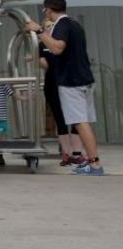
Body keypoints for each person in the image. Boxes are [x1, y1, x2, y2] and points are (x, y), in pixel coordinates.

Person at [25, 0, 103, 175]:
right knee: (84, 124)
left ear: (48, 10)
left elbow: (57, 47)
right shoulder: (75, 25)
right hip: (84, 79)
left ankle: (95, 165)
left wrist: (38, 31)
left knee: (81, 124)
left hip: (72, 81)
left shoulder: (62, 25)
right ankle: (92, 161)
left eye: (45, 10)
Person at [38, 22, 85, 167]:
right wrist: (37, 58)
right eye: (47, 26)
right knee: (60, 119)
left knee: (77, 118)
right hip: (52, 84)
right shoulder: (41, 46)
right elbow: (45, 65)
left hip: (70, 83)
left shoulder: (65, 42)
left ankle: (77, 153)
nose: (50, 27)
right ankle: (66, 154)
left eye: (52, 25)